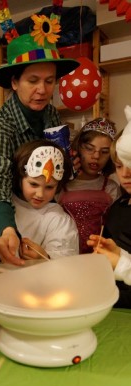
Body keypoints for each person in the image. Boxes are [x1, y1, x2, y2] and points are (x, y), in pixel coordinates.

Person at [0, 10, 80, 266]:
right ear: (14, 82)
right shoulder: (0, 126)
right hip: (11, 218)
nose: (42, 90)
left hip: (46, 215)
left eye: (49, 81)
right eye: (33, 80)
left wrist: (69, 166)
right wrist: (6, 228)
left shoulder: (51, 115)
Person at [0, 140, 79, 265]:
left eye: (49, 187)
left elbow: (67, 262)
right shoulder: (1, 208)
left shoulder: (59, 219)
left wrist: (45, 258)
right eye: (33, 184)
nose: (40, 194)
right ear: (20, 178)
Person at [87, 105, 131, 307]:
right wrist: (116, 253)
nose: (125, 174)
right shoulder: (118, 206)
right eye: (119, 166)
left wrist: (121, 264)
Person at [57, 117, 120, 254]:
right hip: (66, 256)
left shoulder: (111, 188)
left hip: (100, 257)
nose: (96, 156)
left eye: (104, 152)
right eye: (89, 148)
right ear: (78, 147)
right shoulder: (60, 186)